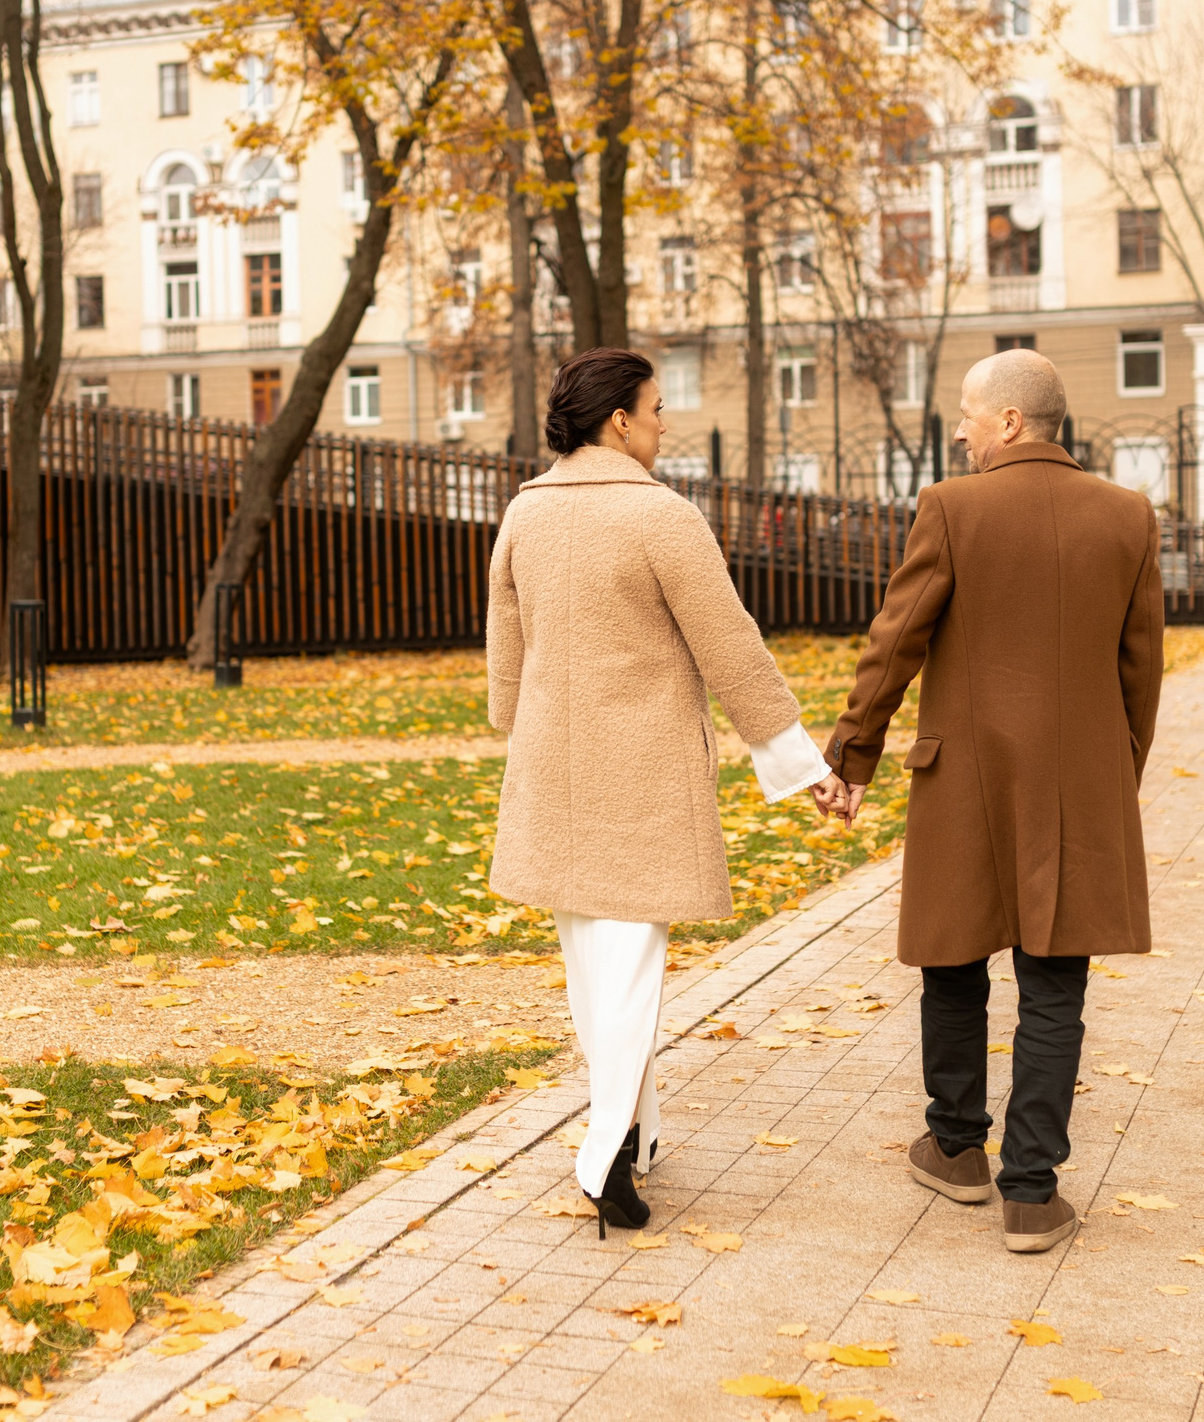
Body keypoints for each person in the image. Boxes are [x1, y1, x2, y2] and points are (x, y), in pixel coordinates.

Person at [812, 348, 1163, 1254]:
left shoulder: (953, 508)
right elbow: (1141, 672)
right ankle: (1033, 1193)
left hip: (963, 773)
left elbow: (897, 641)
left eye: (969, 413)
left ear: (1010, 421)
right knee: (1056, 982)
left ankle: (956, 1146)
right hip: (1078, 782)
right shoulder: (1128, 517)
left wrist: (853, 753)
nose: (960, 428)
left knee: (954, 959)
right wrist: (1112, 778)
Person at [486, 347, 829, 1236]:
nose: (665, 423)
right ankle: (604, 1155)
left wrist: (516, 724)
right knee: (630, 975)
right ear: (618, 422)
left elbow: (505, 654)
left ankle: (630, 1139)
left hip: (552, 773)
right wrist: (799, 760)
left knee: (595, 979)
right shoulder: (661, 516)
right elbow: (732, 647)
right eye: (657, 407)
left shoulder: (524, 513)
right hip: (636, 773)